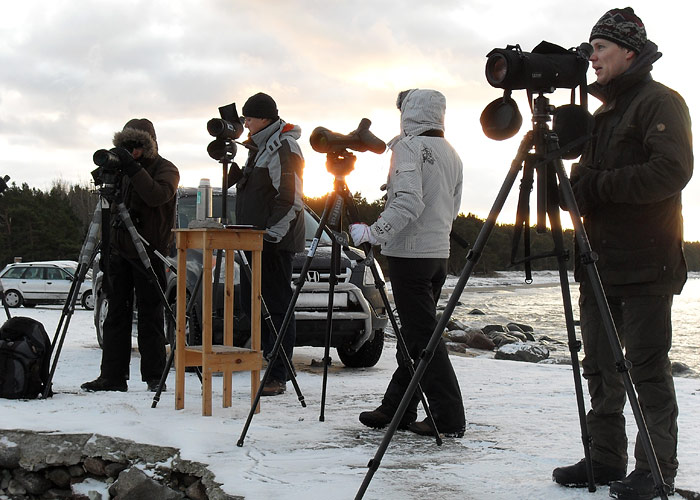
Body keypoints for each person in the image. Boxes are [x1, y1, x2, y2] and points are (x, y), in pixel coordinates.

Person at [552, 8, 693, 499]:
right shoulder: (604, 114)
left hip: (647, 261)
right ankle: (605, 457)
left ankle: (655, 470)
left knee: (646, 369)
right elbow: (584, 184)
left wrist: (598, 186)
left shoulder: (661, 102)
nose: (591, 58)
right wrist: (578, 183)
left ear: (629, 52)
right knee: (599, 365)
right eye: (590, 49)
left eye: (600, 49)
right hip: (599, 261)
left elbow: (672, 171)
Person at [350, 89, 466, 437]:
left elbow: (408, 204)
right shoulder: (451, 153)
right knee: (415, 336)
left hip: (409, 257)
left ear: (408, 113)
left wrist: (374, 232)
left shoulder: (408, 147)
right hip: (437, 254)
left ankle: (448, 417)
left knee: (422, 340)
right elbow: (454, 206)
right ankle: (397, 407)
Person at [82, 118, 180, 392]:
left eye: (136, 146)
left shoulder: (166, 168)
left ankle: (154, 377)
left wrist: (133, 167)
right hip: (120, 248)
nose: (132, 151)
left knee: (150, 314)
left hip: (149, 249)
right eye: (126, 146)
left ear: (148, 145)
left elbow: (156, 195)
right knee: (115, 314)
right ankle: (112, 377)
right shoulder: (123, 169)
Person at [227, 92, 305, 396]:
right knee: (252, 305)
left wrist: (270, 234)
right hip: (253, 240)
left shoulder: (284, 146)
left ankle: (278, 374)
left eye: (249, 118)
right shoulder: (259, 147)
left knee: (276, 307)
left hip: (273, 242)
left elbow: (291, 197)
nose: (245, 124)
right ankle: (273, 363)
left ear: (265, 118)